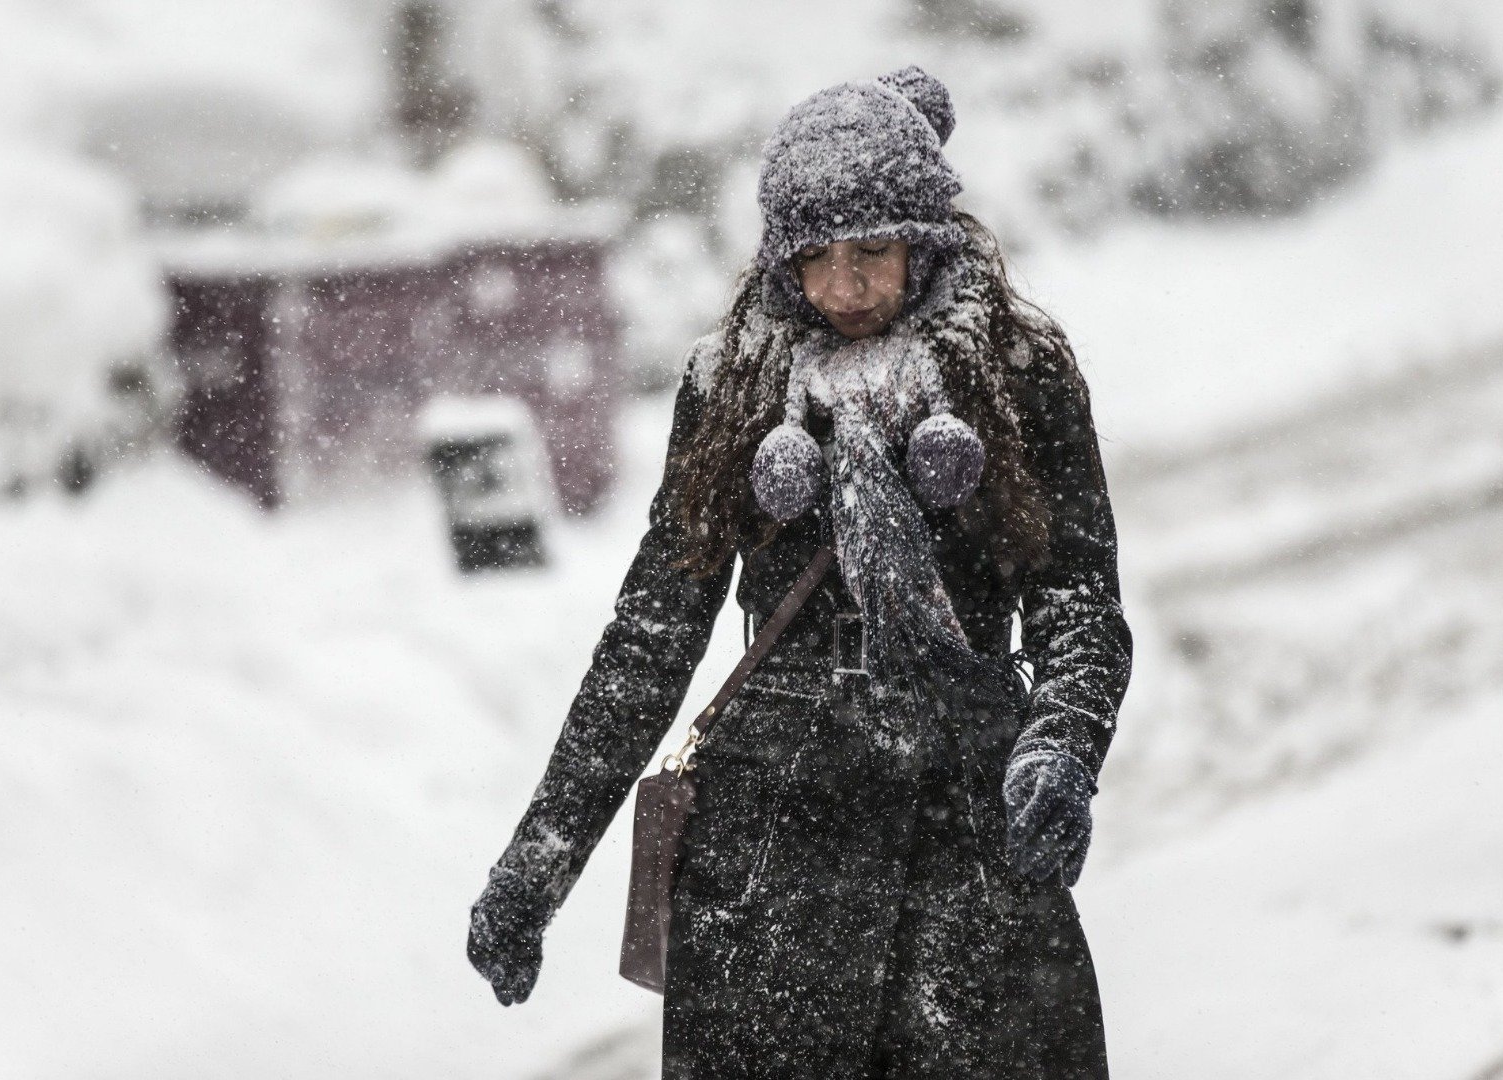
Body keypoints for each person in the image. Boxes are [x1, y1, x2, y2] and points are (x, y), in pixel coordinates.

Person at [467, 65, 1133, 1079]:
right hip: (770, 870)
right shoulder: (731, 385)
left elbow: (1078, 602)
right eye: (815, 260)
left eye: (872, 252)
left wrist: (1061, 746)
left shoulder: (1017, 371)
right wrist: (539, 861)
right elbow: (652, 635)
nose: (845, 287)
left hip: (966, 844)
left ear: (928, 241)